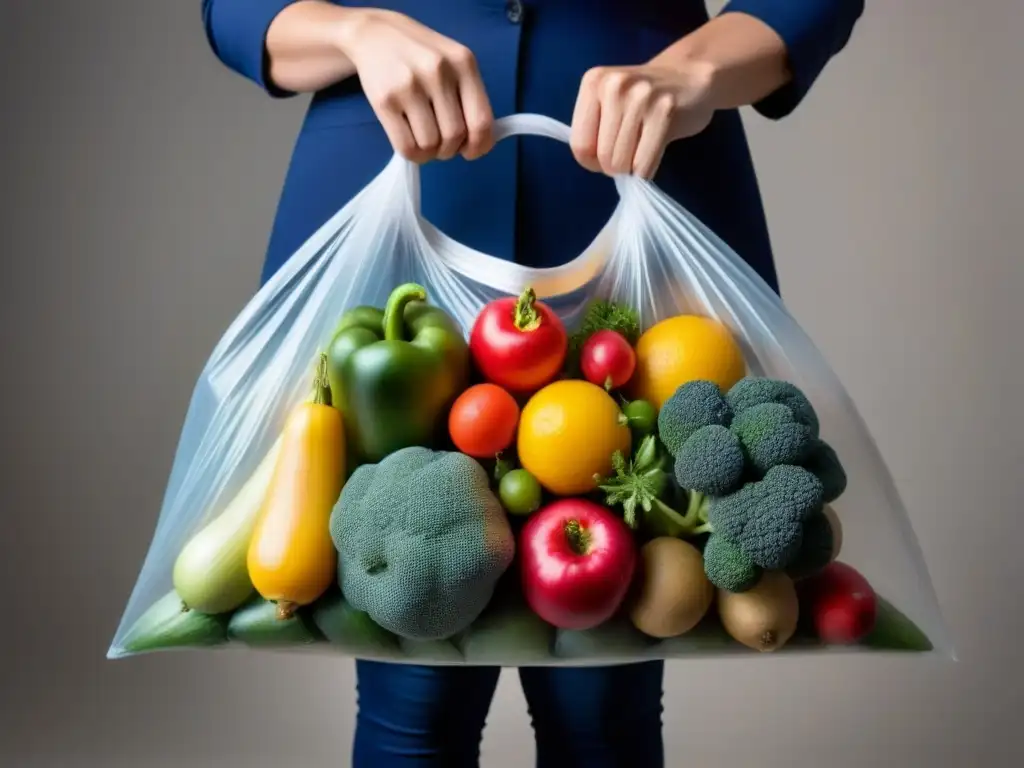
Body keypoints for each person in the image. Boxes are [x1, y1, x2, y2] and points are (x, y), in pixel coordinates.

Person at [200, 1, 863, 765]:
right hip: (395, 213)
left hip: (634, 190)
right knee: (407, 683)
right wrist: (354, 32)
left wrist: (698, 68)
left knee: (608, 686)